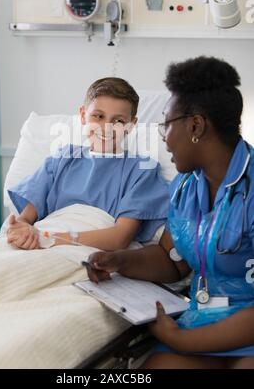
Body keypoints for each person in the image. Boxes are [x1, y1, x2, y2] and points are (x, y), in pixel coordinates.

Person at [86, 57, 254, 369]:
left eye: (166, 125)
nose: (163, 137)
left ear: (195, 126)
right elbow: (171, 260)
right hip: (202, 322)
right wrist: (118, 260)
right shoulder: (185, 186)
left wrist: (181, 340)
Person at [7, 77, 169, 251]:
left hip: (85, 249)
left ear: (131, 125)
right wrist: (21, 231)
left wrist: (47, 239)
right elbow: (25, 219)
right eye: (98, 116)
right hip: (44, 237)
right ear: (83, 115)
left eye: (119, 121)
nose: (106, 127)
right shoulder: (62, 159)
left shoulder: (141, 170)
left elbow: (119, 238)